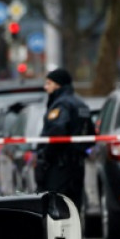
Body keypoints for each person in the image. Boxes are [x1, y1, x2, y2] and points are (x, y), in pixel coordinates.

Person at [35, 68, 91, 212]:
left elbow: (57, 132)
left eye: (49, 83)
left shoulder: (61, 104)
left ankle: (59, 235)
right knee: (74, 209)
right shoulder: (81, 104)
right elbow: (91, 135)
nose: (45, 87)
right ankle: (76, 235)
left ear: (58, 85)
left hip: (59, 167)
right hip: (77, 166)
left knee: (57, 209)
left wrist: (46, 156)